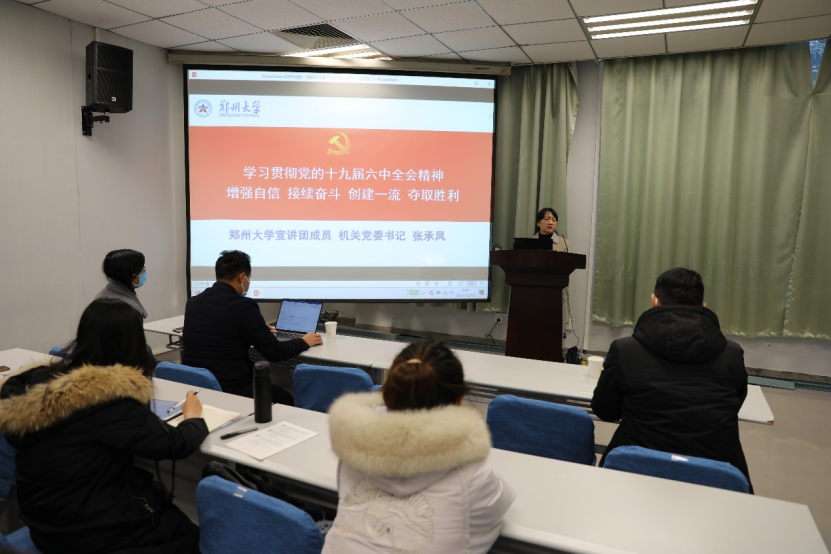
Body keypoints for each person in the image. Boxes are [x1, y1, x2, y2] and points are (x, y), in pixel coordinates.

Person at [0, 298, 208, 554]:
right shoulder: (106, 399)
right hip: (89, 535)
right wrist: (193, 418)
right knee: (189, 534)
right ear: (133, 343)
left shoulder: (39, 386)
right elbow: (174, 444)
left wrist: (142, 481)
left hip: (44, 524)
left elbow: (79, 456)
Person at [323, 340, 516, 554]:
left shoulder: (355, 444)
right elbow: (503, 501)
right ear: (459, 401)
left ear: (387, 394)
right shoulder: (472, 474)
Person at [591, 268, 752, 489]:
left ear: (654, 301)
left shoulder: (625, 350)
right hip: (715, 477)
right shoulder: (732, 353)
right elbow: (734, 404)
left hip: (636, 470)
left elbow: (605, 411)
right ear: (703, 306)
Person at [182, 250, 321, 405]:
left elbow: (220, 329)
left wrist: (256, 329)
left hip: (197, 385)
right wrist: (304, 341)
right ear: (242, 277)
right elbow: (275, 352)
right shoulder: (244, 306)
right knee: (285, 398)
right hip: (230, 387)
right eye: (249, 277)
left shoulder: (193, 302)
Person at [95, 248, 149, 319]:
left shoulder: (103, 294)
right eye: (142, 269)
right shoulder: (130, 309)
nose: (144, 271)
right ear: (131, 273)